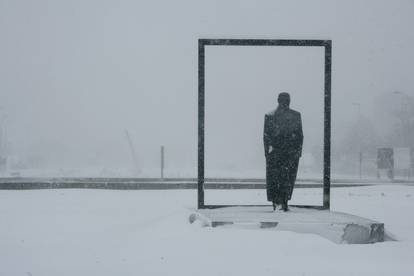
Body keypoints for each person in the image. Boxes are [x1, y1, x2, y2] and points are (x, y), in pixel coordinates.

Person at [263, 92, 303, 211]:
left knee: (287, 179)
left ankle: (283, 201)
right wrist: (268, 153)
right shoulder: (270, 116)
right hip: (277, 154)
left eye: (287, 99)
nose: (286, 102)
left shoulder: (296, 115)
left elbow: (300, 135)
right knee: (277, 179)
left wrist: (298, 152)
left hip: (289, 154)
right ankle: (277, 202)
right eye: (283, 99)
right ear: (278, 100)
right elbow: (266, 136)